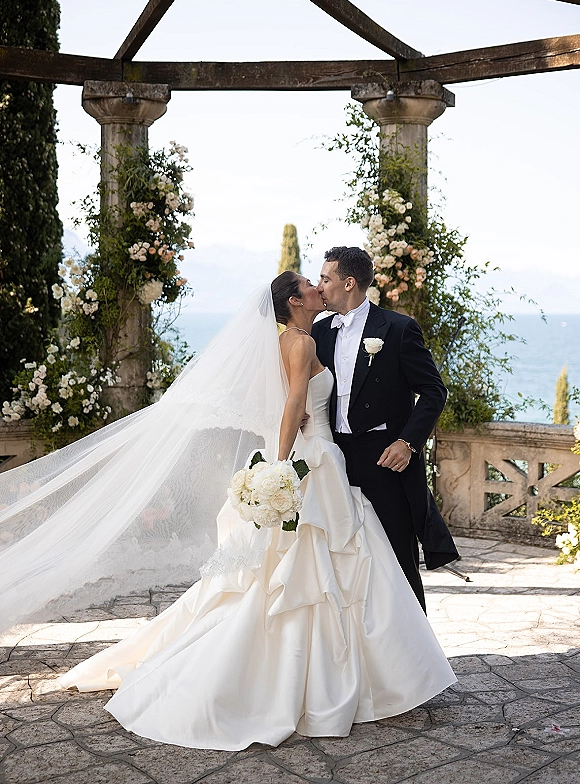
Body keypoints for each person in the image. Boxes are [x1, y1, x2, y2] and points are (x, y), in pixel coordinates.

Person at [1, 276, 456, 751]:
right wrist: (282, 469)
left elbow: (288, 404)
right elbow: (295, 403)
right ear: (294, 302)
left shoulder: (294, 338)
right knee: (317, 566)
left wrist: (287, 445)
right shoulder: (301, 341)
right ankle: (350, 679)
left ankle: (369, 674)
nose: (319, 287)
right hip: (312, 461)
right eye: (310, 284)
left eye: (322, 279)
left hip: (320, 455)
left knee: (314, 568)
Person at [312, 247, 459, 611]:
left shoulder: (396, 329)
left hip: (383, 458)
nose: (319, 287)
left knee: (397, 557)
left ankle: (414, 655)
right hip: (333, 457)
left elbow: (433, 391)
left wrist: (407, 442)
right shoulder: (319, 332)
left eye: (326, 279)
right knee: (340, 556)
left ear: (348, 283)